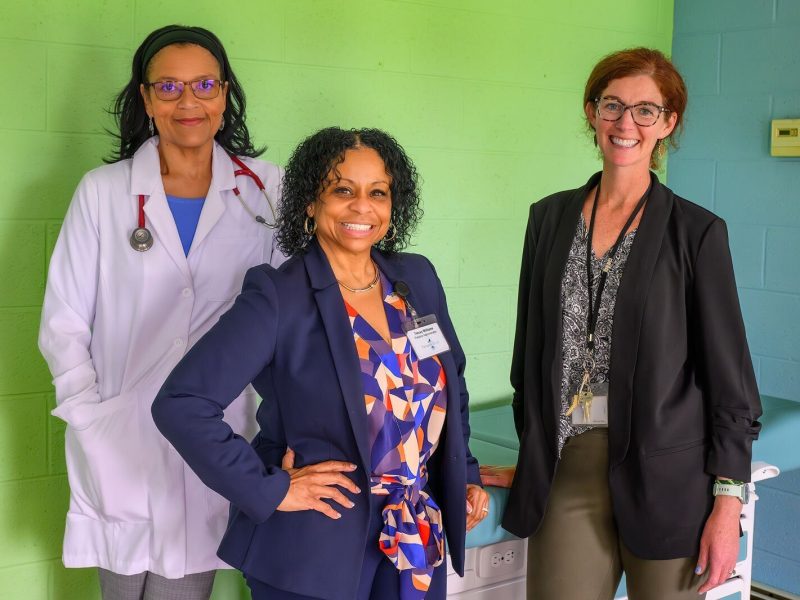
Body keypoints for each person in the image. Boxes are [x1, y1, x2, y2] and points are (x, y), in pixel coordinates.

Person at [151, 127, 488, 600]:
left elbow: (451, 384)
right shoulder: (278, 296)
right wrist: (270, 489)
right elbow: (181, 403)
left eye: (378, 193)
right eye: (342, 190)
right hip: (314, 550)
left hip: (413, 538)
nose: (361, 207)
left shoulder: (416, 279)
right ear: (311, 202)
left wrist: (465, 473)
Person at [482, 48, 762, 599]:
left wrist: (728, 504)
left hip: (668, 478)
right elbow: (529, 356)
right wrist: (536, 458)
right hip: (569, 469)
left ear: (668, 122)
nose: (626, 123)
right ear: (591, 112)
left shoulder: (697, 233)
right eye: (612, 106)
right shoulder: (548, 219)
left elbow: (731, 382)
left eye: (645, 110)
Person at [38, 24, 283, 600]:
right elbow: (63, 318)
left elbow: (288, 312)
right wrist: (87, 411)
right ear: (145, 100)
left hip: (215, 430)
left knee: (185, 587)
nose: (188, 101)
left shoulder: (267, 190)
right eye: (168, 87)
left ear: (225, 94)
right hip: (119, 429)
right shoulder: (103, 191)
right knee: (121, 588)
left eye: (203, 84)